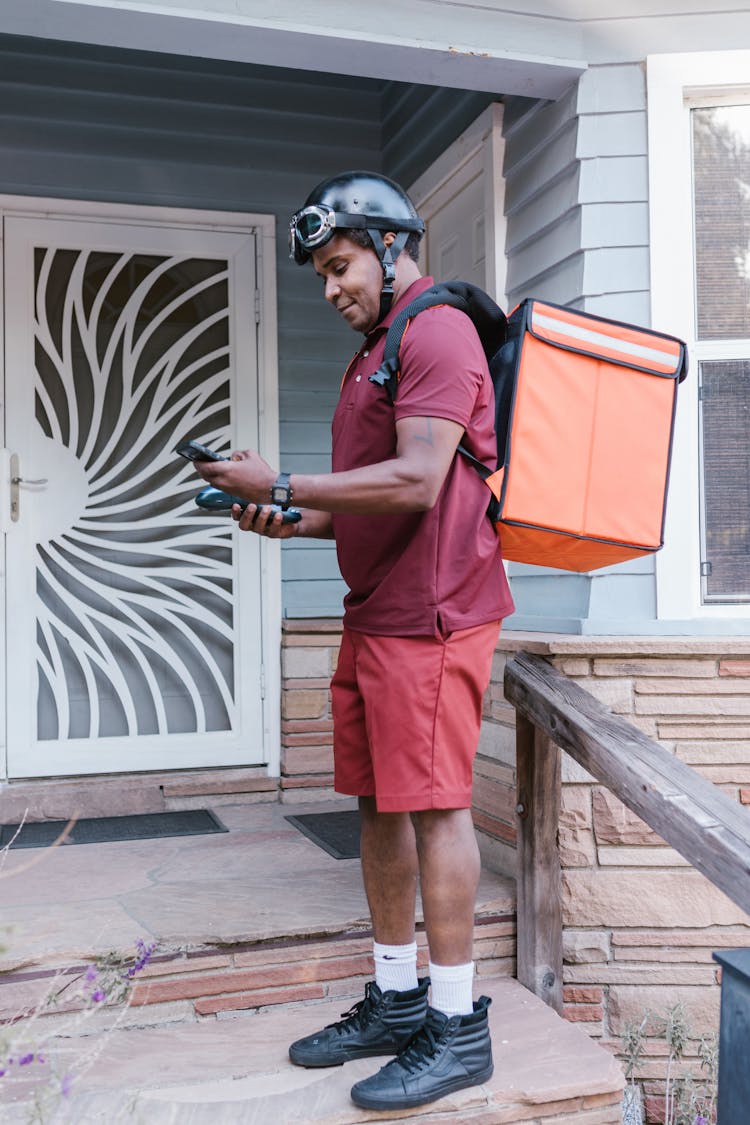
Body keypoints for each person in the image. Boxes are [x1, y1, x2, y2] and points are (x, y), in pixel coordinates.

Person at [193, 170, 514, 1112]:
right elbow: (371, 502)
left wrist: (285, 480)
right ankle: (397, 995)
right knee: (379, 803)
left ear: (386, 245)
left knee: (435, 806)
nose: (331, 288)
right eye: (321, 275)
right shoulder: (374, 350)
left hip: (436, 612)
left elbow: (419, 480)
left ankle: (456, 1026)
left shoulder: (436, 330)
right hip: (376, 607)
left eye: (339, 267)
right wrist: (282, 517)